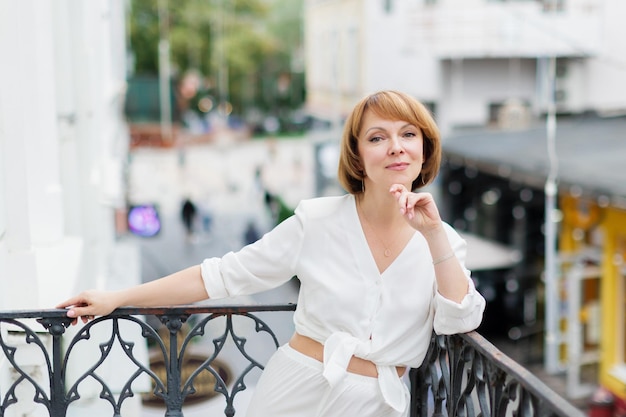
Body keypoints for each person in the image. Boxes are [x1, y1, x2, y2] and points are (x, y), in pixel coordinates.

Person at [57, 90, 486, 417]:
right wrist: (118, 298)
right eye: (378, 137)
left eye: (408, 134)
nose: (395, 146)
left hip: (376, 405)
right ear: (358, 156)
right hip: (296, 390)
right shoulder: (317, 221)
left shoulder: (442, 241)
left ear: (424, 148)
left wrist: (433, 236)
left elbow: (460, 318)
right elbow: (220, 276)